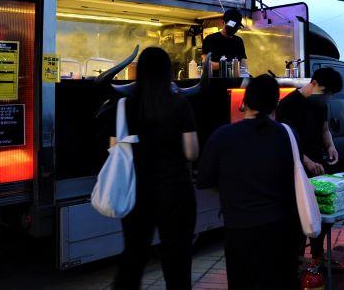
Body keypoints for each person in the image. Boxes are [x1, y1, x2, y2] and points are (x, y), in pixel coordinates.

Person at [198, 75, 300, 289]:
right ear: (276, 103)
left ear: (245, 102)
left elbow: (205, 178)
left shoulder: (223, 135)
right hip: (282, 227)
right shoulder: (287, 134)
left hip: (240, 229)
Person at [112, 47, 199, 290]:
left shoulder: (125, 106)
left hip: (136, 192)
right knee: (177, 258)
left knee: (134, 255)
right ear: (167, 72)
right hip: (176, 192)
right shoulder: (180, 104)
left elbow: (114, 147)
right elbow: (192, 151)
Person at [275, 67, 343, 270]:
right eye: (326, 92)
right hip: (296, 168)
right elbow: (287, 140)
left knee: (322, 210)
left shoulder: (320, 105)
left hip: (318, 165)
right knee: (298, 216)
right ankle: (295, 261)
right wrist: (305, 162)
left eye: (331, 94)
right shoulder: (288, 105)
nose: (327, 98)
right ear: (313, 83)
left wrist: (331, 146)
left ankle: (317, 256)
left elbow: (324, 129)